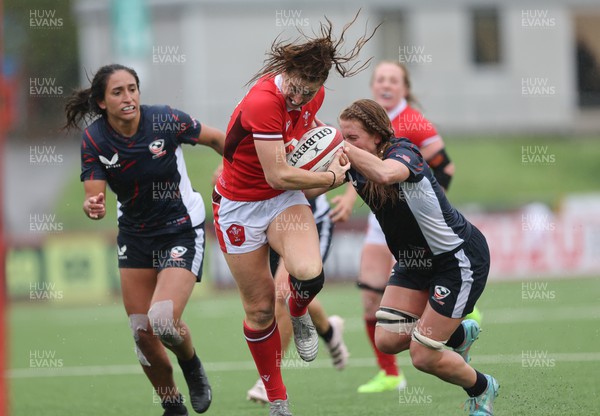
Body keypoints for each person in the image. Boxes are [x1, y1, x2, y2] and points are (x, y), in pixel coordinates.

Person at [212, 15, 375, 416]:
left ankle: (301, 313)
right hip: (240, 206)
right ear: (286, 72)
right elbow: (278, 173)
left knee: (306, 270)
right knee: (261, 309)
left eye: (312, 90)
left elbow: (306, 135)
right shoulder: (264, 102)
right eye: (298, 88)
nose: (301, 98)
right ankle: (278, 399)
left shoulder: (311, 98)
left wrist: (327, 153)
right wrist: (331, 176)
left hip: (281, 201)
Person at [64, 64, 224, 416]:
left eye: (132, 89)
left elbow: (217, 139)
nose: (128, 97)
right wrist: (94, 205)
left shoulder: (166, 120)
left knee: (163, 320)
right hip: (135, 237)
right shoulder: (94, 139)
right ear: (102, 102)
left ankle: (192, 366)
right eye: (118, 92)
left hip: (181, 228)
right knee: (142, 333)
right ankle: (172, 406)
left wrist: (231, 169)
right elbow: (96, 196)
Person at [339, 98, 499, 416]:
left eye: (352, 137)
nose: (346, 144)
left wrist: (337, 147)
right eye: (342, 137)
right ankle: (458, 334)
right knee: (386, 339)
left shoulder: (404, 152)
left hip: (456, 259)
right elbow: (317, 184)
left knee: (422, 356)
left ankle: (482, 389)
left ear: (376, 135)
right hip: (414, 262)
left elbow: (385, 174)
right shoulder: (353, 161)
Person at [349, 61, 482, 393]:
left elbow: (439, 167)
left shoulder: (408, 131)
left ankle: (477, 383)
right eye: (380, 79)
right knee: (375, 311)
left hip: (444, 247)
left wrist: (434, 208)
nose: (386, 85)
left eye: (393, 79)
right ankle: (395, 370)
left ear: (405, 87)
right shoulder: (358, 133)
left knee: (423, 353)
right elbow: (318, 184)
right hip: (400, 239)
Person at [246, 194, 350, 404]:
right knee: (291, 293)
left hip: (309, 220)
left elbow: (354, 161)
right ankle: (330, 331)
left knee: (282, 294)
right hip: (269, 220)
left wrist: (349, 196)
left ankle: (268, 381)